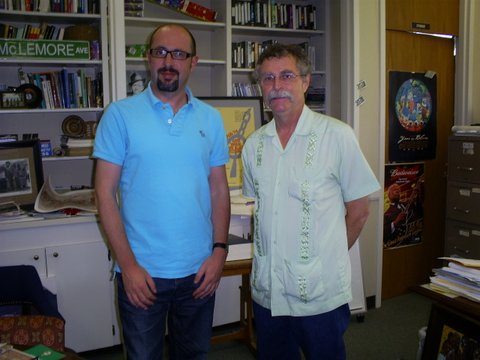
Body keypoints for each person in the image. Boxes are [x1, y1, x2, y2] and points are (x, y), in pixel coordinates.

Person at [93, 24, 231, 359]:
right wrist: (128, 266)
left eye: (179, 54)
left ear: (193, 62)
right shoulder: (119, 116)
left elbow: (218, 190)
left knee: (194, 355)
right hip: (142, 275)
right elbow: (104, 195)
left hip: (199, 273)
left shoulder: (211, 119)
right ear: (148, 58)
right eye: (160, 52)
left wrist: (219, 253)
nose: (169, 61)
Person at [241, 43, 380, 360]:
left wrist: (325, 257)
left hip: (320, 296)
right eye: (268, 78)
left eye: (286, 76)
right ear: (260, 86)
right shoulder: (253, 146)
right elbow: (261, 209)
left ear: (306, 81)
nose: (277, 87)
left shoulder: (337, 136)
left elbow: (359, 211)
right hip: (268, 292)